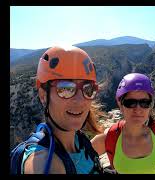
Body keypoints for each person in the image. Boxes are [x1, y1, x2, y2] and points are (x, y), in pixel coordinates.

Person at [15, 46, 104, 174]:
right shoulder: (43, 161)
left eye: (88, 89)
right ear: (43, 95)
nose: (80, 101)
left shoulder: (79, 141)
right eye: (65, 89)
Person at [91, 73, 155, 174]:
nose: (138, 109)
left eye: (144, 103)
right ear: (120, 104)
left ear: (150, 105)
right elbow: (77, 160)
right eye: (130, 103)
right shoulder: (109, 138)